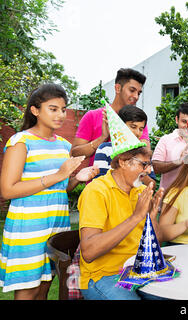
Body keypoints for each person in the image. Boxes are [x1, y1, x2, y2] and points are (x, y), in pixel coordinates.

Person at [0, 83, 98, 300]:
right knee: (29, 291)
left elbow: (60, 187)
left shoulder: (64, 145)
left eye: (63, 109)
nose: (61, 114)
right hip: (29, 229)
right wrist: (58, 175)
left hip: (56, 226)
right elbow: (7, 189)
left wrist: (76, 180)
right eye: (53, 109)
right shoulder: (21, 141)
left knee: (45, 288)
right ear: (35, 110)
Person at [78, 107, 165, 300]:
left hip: (139, 271)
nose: (149, 170)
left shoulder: (141, 191)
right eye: (144, 164)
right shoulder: (96, 191)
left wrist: (151, 218)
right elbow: (89, 252)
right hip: (104, 275)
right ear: (124, 162)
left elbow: (155, 245)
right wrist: (135, 217)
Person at [71, 68, 150, 167]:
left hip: (127, 182)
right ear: (118, 88)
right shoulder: (92, 116)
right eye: (132, 90)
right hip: (98, 181)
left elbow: (145, 153)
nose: (136, 96)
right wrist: (102, 138)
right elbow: (74, 154)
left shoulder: (138, 120)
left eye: (139, 93)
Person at [93, 104, 156, 184]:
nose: (137, 133)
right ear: (120, 126)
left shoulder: (144, 153)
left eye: (141, 129)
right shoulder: (105, 149)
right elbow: (99, 180)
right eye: (133, 127)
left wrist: (142, 170)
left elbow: (152, 185)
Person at [152, 102, 188, 190]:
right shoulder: (165, 140)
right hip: (169, 199)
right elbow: (156, 167)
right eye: (184, 121)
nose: (187, 126)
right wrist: (179, 161)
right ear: (177, 119)